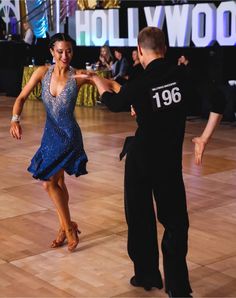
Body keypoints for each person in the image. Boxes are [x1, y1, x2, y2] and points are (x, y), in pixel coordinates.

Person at [77, 27, 225, 297]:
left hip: (141, 159)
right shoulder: (183, 75)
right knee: (176, 223)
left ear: (140, 50)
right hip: (168, 162)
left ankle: (147, 276)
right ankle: (178, 289)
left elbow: (114, 103)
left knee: (140, 218)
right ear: (165, 49)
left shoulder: (141, 81)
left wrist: (97, 81)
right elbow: (218, 101)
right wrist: (203, 139)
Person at [10, 33, 89, 252]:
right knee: (59, 183)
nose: (65, 56)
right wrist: (15, 120)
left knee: (48, 183)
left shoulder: (77, 76)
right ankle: (65, 226)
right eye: (61, 51)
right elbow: (21, 98)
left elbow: (108, 83)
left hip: (68, 136)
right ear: (52, 51)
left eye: (69, 51)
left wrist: (133, 102)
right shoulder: (42, 73)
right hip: (50, 135)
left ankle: (69, 228)